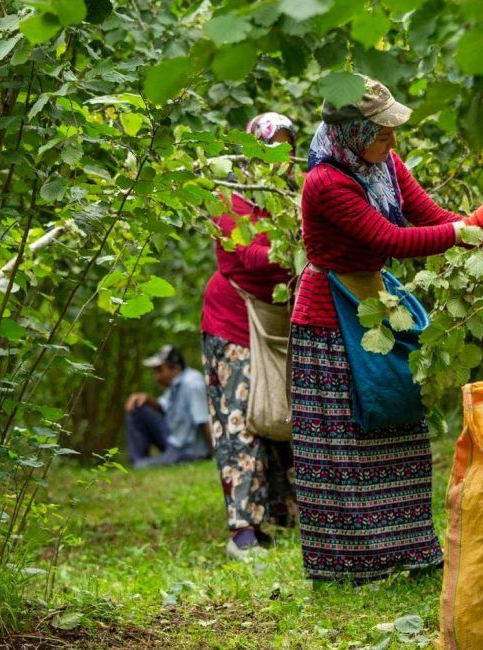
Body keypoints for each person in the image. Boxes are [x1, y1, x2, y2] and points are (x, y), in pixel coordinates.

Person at [290, 77, 483, 583]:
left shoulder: (384, 166)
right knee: (346, 439)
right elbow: (391, 237)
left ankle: (408, 551)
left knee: (397, 418)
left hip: (375, 304)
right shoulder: (325, 182)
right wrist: (463, 230)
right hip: (331, 316)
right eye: (384, 132)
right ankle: (351, 564)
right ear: (353, 131)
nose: (394, 141)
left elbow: (432, 218)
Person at [201, 112, 297, 559]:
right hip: (233, 323)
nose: (277, 157)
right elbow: (252, 257)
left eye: (285, 147)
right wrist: (298, 248)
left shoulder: (291, 198)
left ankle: (283, 516)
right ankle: (242, 531)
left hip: (279, 325)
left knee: (280, 416)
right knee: (240, 420)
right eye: (268, 147)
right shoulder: (231, 200)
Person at [124, 345, 213, 468]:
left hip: (188, 450)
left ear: (175, 368)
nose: (157, 377)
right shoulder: (175, 384)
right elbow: (162, 407)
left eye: (160, 370)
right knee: (138, 409)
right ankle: (137, 460)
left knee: (142, 466)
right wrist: (147, 399)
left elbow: (204, 421)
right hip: (174, 439)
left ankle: (140, 465)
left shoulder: (192, 384)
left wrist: (216, 455)